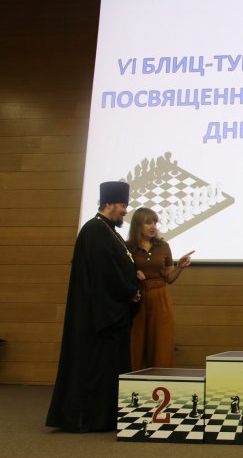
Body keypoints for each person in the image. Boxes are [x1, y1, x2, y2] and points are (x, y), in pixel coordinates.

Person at [47, 181, 142, 432]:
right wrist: (129, 291)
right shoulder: (94, 231)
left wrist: (134, 280)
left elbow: (119, 266)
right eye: (122, 206)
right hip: (98, 317)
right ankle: (89, 418)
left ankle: (108, 416)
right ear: (109, 204)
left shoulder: (108, 231)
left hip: (111, 311)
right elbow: (105, 274)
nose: (125, 211)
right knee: (96, 368)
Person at [126, 207, 194, 370]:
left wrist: (179, 267)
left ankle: (161, 379)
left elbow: (169, 278)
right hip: (137, 298)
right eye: (148, 223)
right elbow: (120, 272)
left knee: (161, 343)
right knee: (134, 343)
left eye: (155, 223)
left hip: (160, 296)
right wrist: (133, 274)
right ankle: (131, 381)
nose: (153, 227)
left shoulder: (163, 246)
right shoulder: (128, 247)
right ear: (137, 225)